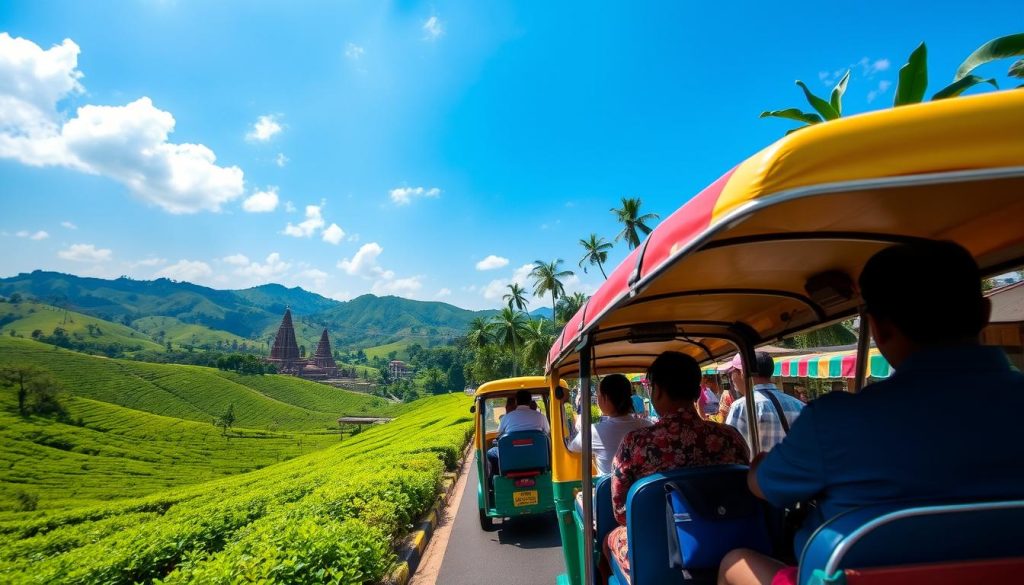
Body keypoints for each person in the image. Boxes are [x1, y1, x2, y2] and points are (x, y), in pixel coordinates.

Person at [719, 240, 1024, 585]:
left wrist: (758, 467)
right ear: (984, 314)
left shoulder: (834, 421)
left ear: (879, 328)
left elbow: (763, 487)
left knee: (734, 562)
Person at [606, 351, 749, 582]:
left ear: (658, 390)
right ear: (696, 391)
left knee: (609, 538)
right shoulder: (730, 436)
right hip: (728, 541)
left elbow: (621, 512)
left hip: (660, 549)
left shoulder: (636, 443)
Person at [567, 374, 653, 476]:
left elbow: (571, 447)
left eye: (598, 395)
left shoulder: (593, 432)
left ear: (606, 398)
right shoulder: (649, 426)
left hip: (610, 490)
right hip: (642, 489)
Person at [724, 352, 804, 454]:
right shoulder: (799, 405)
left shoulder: (741, 407)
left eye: (732, 372)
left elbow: (731, 450)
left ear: (742, 372)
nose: (731, 378)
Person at [486, 389, 549, 480]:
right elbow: (547, 432)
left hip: (511, 460)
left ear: (516, 401)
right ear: (530, 401)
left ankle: (497, 478)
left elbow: (498, 434)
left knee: (491, 452)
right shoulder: (540, 417)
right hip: (537, 460)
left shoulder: (507, 417)